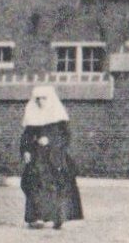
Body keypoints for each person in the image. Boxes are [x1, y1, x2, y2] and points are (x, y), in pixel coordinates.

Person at [20, 85, 84, 230]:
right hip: (37, 157)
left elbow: (66, 137)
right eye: (38, 99)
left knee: (57, 185)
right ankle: (36, 217)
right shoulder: (32, 116)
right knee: (34, 184)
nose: (41, 102)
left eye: (44, 98)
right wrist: (26, 150)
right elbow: (26, 137)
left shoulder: (58, 118)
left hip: (55, 157)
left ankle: (58, 217)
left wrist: (51, 141)